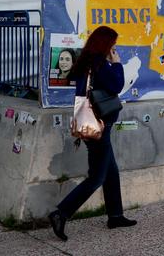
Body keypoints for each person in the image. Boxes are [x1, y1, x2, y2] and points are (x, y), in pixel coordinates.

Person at [48, 26, 136, 241]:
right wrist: (117, 65)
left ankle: (115, 215)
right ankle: (62, 213)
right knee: (97, 177)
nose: (114, 48)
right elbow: (116, 85)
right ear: (105, 44)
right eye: (112, 44)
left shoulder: (86, 62)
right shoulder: (100, 64)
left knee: (111, 172)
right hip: (98, 128)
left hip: (90, 126)